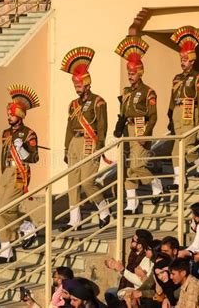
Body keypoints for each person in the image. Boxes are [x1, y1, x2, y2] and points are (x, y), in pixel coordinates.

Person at [59, 46, 111, 231]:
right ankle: (75, 220)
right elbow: (68, 128)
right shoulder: (73, 104)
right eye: (75, 85)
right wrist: (66, 148)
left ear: (87, 84)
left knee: (88, 182)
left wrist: (101, 146)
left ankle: (104, 211)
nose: (77, 88)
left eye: (79, 85)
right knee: (72, 182)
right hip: (74, 142)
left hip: (90, 142)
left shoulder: (98, 101)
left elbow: (102, 126)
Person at [114, 36, 163, 214]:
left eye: (132, 73)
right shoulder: (126, 92)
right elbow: (123, 112)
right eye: (128, 73)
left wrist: (146, 134)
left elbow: (153, 116)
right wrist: (118, 128)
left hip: (141, 128)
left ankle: (156, 183)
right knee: (128, 168)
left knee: (137, 165)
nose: (130, 76)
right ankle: (132, 204)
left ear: (140, 73)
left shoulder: (148, 91)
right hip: (127, 129)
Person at [0, 84, 40, 263]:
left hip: (20, 172)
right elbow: (2, 156)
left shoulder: (29, 134)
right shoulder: (5, 133)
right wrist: (3, 173)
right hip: (6, 172)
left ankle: (27, 226)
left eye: (12, 114)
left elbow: (34, 158)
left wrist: (22, 151)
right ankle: (6, 250)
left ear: (20, 115)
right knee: (0, 212)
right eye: (8, 114)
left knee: (7, 209)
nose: (9, 116)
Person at [167, 26, 199, 191]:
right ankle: (179, 180)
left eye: (185, 59)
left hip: (190, 114)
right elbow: (172, 99)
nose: (182, 62)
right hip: (177, 114)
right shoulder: (176, 78)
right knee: (175, 152)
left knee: (189, 148)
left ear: (192, 60)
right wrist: (170, 116)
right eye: (181, 59)